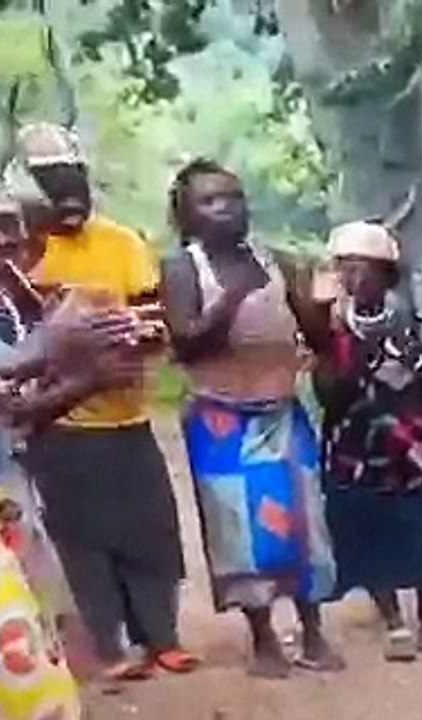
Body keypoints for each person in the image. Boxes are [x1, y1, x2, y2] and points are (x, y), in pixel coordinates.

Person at [14, 122, 196, 681]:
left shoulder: (119, 241)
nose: (69, 195)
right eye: (51, 184)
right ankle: (106, 647)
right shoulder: (20, 253)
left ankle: (160, 637)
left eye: (75, 180)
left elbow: (152, 315)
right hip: (60, 419)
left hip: (127, 412)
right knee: (79, 537)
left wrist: (139, 333)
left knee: (151, 530)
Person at [159, 158, 341, 678]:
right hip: (221, 415)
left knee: (305, 519)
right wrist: (235, 294)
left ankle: (313, 630)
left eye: (233, 198)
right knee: (238, 526)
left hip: (282, 406)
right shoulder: (182, 267)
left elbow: (316, 335)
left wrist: (316, 306)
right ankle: (263, 637)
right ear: (186, 215)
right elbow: (188, 342)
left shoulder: (276, 260)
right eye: (209, 201)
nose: (224, 209)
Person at [0, 168, 146, 719]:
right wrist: (50, 346)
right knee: (14, 669)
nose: (5, 241)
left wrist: (94, 375)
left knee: (39, 645)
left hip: (4, 495)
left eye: (10, 227)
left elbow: (19, 418)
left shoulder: (8, 309)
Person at [315, 220, 422, 662]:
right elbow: (327, 393)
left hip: (419, 443)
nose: (355, 279)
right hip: (359, 448)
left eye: (365, 269)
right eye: (346, 269)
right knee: (370, 531)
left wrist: (421, 360)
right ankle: (394, 624)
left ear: (388, 274)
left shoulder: (411, 322)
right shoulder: (330, 333)